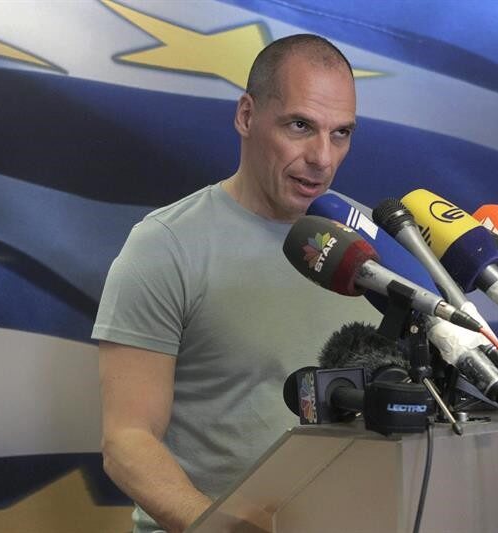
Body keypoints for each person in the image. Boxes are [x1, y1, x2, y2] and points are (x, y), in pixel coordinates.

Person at [93, 34, 381, 533]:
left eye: (341, 133)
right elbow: (127, 441)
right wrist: (219, 527)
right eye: (300, 126)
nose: (323, 157)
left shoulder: (373, 246)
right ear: (247, 116)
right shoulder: (166, 245)